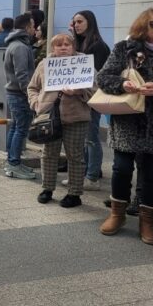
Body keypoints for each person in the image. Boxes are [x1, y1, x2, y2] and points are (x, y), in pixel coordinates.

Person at [98, 8, 153, 245]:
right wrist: (123, 83)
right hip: (128, 119)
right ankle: (117, 214)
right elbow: (104, 77)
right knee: (121, 168)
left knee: (152, 174)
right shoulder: (123, 49)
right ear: (143, 26)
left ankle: (147, 223)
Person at [28, 33, 94, 208]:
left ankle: (74, 193)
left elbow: (96, 89)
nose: (63, 47)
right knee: (49, 154)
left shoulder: (83, 64)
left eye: (67, 44)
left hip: (76, 118)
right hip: (49, 117)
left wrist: (79, 92)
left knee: (75, 156)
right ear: (53, 48)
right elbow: (32, 87)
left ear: (73, 47)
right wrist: (36, 104)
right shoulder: (44, 64)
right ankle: (47, 189)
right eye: (59, 45)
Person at [71, 10, 111, 190]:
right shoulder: (80, 44)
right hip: (80, 98)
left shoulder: (98, 46)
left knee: (91, 138)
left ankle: (92, 176)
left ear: (90, 22)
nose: (76, 25)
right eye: (74, 22)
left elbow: (96, 76)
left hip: (92, 98)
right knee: (84, 138)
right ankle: (86, 172)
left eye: (79, 21)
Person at [4, 13, 38, 180]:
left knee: (16, 127)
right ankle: (14, 164)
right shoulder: (20, 47)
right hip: (19, 94)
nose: (35, 29)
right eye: (33, 26)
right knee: (21, 129)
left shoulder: (15, 44)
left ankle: (12, 162)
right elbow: (22, 75)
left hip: (15, 93)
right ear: (26, 28)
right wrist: (30, 94)